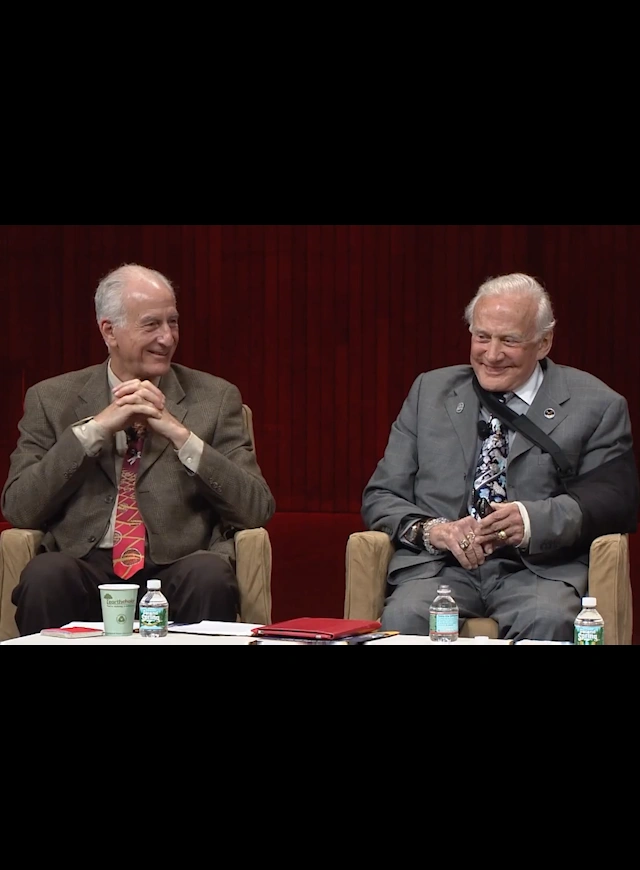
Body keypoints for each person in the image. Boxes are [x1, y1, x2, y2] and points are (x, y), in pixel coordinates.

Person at [361, 272, 639, 642]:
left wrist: (531, 519)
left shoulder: (597, 405)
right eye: (482, 337)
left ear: (543, 343)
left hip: (539, 572)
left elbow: (615, 500)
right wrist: (435, 531)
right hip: (440, 569)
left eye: (509, 340)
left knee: (550, 619)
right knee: (406, 616)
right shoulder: (429, 392)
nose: (491, 355)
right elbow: (380, 496)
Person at [2, 263, 276, 635]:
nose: (167, 337)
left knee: (210, 574)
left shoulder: (215, 398)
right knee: (45, 575)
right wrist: (95, 430)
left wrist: (181, 435)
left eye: (173, 322)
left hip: (177, 564)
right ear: (109, 331)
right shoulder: (51, 399)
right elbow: (20, 507)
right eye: (152, 324)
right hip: (84, 563)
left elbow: (256, 507)